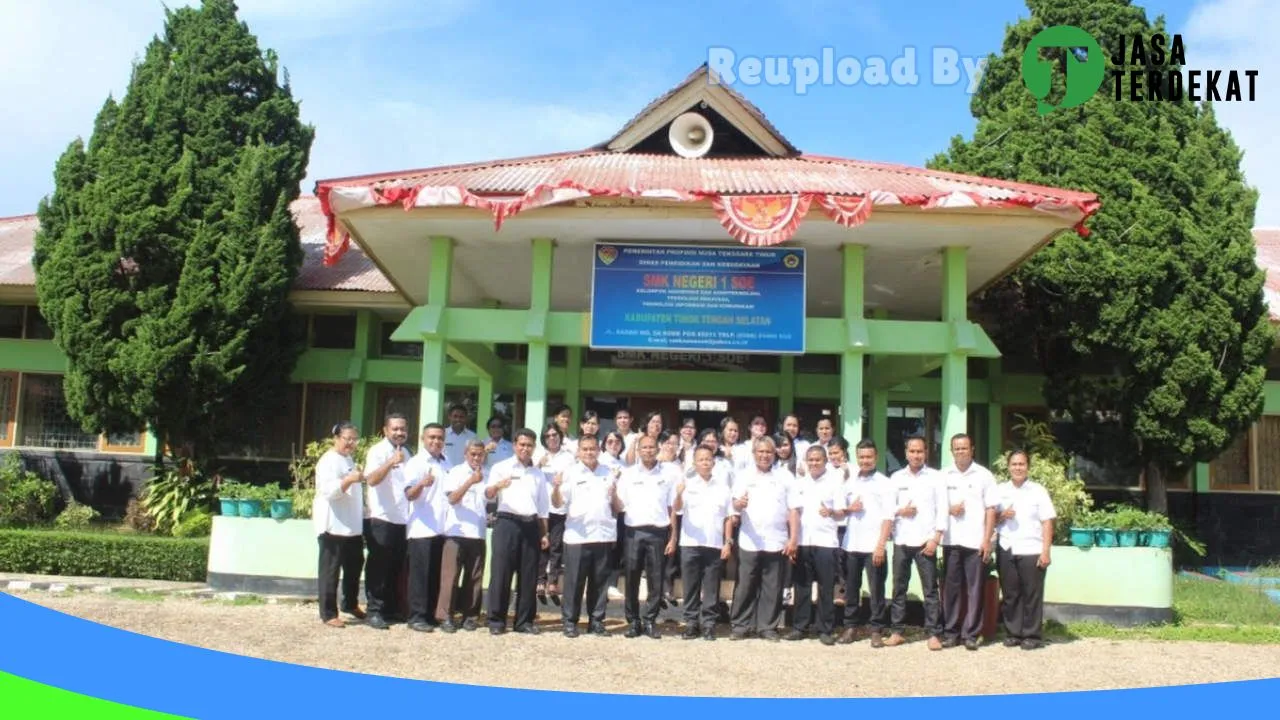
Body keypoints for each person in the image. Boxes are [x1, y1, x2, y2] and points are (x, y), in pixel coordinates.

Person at [729, 436, 800, 641]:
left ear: (774, 453)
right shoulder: (743, 475)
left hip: (776, 539)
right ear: (754, 454)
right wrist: (739, 504)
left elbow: (793, 509)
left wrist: (793, 538)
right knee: (745, 584)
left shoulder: (785, 476)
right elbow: (735, 502)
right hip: (749, 539)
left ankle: (767, 626)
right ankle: (741, 625)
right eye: (760, 452)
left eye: (768, 452)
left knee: (773, 585)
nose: (764, 455)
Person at [484, 429, 551, 635]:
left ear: (533, 448)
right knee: (501, 573)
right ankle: (496, 621)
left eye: (529, 445)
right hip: (507, 523)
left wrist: (544, 533)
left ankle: (524, 621)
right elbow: (488, 494)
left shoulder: (538, 474)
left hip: (530, 525)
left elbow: (542, 508)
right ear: (514, 445)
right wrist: (497, 486)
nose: (525, 448)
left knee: (528, 575)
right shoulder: (500, 467)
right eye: (521, 444)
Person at [550, 434, 618, 637]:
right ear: (579, 451)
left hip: (603, 535)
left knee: (600, 583)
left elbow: (615, 505)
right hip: (577, 537)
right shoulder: (570, 473)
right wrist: (555, 487)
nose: (589, 452)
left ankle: (596, 621)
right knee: (574, 582)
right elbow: (557, 503)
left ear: (599, 450)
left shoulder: (609, 472)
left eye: (593, 449)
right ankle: (570, 621)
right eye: (585, 449)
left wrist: (614, 494)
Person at [885, 435, 948, 650]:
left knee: (930, 590)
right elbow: (887, 509)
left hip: (925, 542)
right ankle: (897, 631)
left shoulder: (936, 478)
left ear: (926, 453)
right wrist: (900, 510)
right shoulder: (896, 478)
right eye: (912, 451)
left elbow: (943, 509)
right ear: (906, 452)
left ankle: (933, 634)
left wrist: (936, 538)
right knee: (898, 588)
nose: (916, 455)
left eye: (920, 451)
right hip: (902, 540)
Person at [614, 433, 677, 639]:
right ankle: (633, 621)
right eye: (644, 448)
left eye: (652, 447)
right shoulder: (629, 474)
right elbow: (619, 505)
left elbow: (671, 508)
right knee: (631, 577)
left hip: (658, 532)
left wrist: (673, 536)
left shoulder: (666, 475)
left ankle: (650, 620)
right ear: (638, 451)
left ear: (657, 449)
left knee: (655, 578)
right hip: (634, 531)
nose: (648, 451)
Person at [994, 449, 1056, 650]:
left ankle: (1032, 635)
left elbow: (1047, 521)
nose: (1017, 468)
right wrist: (1002, 515)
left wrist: (1045, 551)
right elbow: (990, 518)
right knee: (1011, 593)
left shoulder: (1038, 491)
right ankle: (1013, 632)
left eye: (1021, 464)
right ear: (1008, 466)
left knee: (1032, 593)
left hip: (1031, 548)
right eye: (1014, 464)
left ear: (1028, 467)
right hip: (1006, 546)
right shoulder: (1000, 489)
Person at [942, 433, 999, 650]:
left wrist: (987, 539)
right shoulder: (944, 475)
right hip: (951, 540)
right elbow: (937, 506)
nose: (961, 452)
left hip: (976, 541)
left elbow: (991, 509)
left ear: (972, 449)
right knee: (951, 589)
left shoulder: (984, 476)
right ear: (952, 451)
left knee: (975, 589)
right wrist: (949, 509)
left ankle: (971, 634)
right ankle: (951, 632)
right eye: (957, 448)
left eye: (964, 448)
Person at [672, 445, 735, 641]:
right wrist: (679, 494)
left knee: (711, 587)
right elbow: (677, 510)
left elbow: (728, 517)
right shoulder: (687, 485)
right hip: (690, 543)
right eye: (701, 460)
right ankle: (691, 623)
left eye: (708, 459)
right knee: (690, 586)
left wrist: (728, 542)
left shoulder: (723, 487)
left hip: (714, 544)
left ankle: (709, 624)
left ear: (713, 462)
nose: (705, 463)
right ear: (695, 463)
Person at [787, 445, 843, 645]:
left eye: (818, 459)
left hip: (826, 542)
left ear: (825, 460)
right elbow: (793, 511)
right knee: (801, 586)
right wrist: (793, 540)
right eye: (810, 460)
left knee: (825, 587)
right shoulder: (799, 483)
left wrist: (831, 512)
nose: (814, 463)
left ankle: (825, 629)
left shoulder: (835, 482)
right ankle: (800, 627)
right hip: (803, 541)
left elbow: (841, 512)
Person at [838, 439, 893, 646]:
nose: (866, 461)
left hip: (873, 545)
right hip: (852, 543)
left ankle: (876, 629)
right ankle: (851, 627)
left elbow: (888, 517)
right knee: (851, 588)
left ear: (876, 457)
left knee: (876, 588)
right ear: (857, 458)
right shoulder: (850, 482)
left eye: (869, 457)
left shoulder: (885, 483)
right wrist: (848, 508)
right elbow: (840, 510)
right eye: (862, 457)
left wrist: (881, 545)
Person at [361, 413, 413, 629]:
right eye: (395, 429)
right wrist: (390, 462)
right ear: (385, 430)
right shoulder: (378, 451)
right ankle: (374, 611)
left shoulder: (407, 452)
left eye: (403, 429)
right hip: (381, 517)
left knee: (395, 567)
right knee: (378, 567)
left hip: (402, 519)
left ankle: (390, 609)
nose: (399, 432)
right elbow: (371, 480)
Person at [314, 422, 366, 628]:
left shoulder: (349, 459)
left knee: (354, 566)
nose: (351, 443)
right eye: (348, 439)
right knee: (330, 571)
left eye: (355, 439)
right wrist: (349, 480)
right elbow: (329, 491)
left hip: (352, 525)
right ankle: (328, 613)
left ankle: (350, 603)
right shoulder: (328, 460)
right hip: (332, 524)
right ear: (336, 438)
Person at [437, 438, 489, 632]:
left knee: (474, 577)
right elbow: (452, 498)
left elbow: (490, 497)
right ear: (465, 454)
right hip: (456, 531)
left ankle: (470, 615)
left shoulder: (488, 473)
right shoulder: (456, 471)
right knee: (450, 576)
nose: (476, 458)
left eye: (480, 454)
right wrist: (470, 481)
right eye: (473, 454)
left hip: (478, 532)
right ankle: (446, 616)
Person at [402, 422, 450, 632]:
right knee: (420, 575)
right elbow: (408, 494)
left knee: (434, 574)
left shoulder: (446, 462)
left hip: (442, 528)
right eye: (431, 437)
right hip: (421, 527)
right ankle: (416, 616)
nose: (436, 441)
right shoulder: (415, 462)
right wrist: (421, 483)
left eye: (439, 438)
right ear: (423, 439)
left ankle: (429, 614)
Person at [535, 423, 575, 603]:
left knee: (556, 545)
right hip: (541, 508)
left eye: (555, 434)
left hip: (559, 506)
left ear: (560, 436)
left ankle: (553, 581)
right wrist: (537, 465)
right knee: (542, 545)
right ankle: (540, 580)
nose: (552, 438)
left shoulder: (568, 458)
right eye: (548, 435)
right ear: (544, 438)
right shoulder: (538, 454)